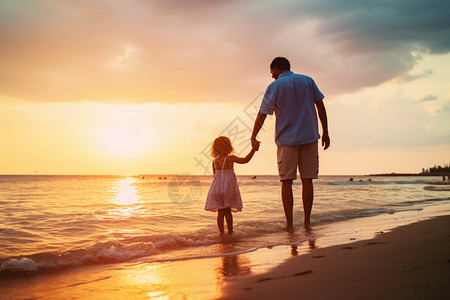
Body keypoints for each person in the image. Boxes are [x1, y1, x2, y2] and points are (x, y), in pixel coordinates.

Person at [251, 57, 330, 230]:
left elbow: (263, 113)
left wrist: (253, 136)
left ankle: (289, 224)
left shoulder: (275, 86)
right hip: (309, 137)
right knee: (307, 180)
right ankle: (306, 221)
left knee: (286, 181)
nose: (271, 75)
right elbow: (320, 106)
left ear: (277, 68)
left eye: (271, 71)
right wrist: (326, 132)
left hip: (286, 140)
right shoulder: (308, 81)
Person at [205, 136, 260, 235]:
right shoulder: (230, 158)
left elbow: (216, 176)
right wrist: (253, 150)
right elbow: (245, 160)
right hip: (227, 189)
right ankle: (230, 232)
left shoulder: (214, 162)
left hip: (216, 190)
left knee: (220, 213)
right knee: (228, 212)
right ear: (228, 147)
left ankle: (221, 233)